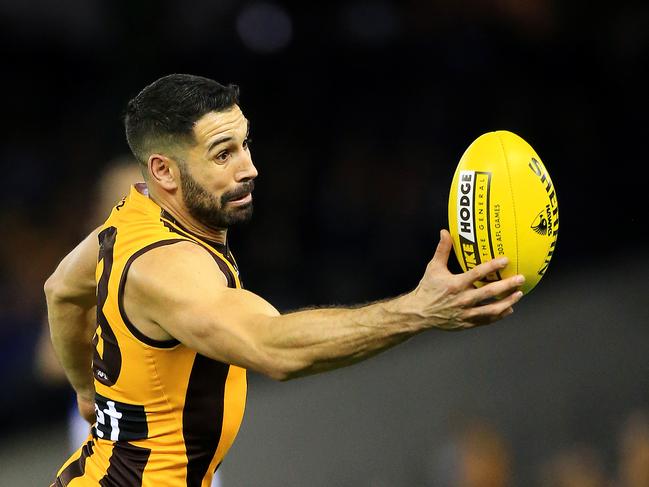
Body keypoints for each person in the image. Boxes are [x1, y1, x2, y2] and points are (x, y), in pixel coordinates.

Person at [45, 73, 525, 486]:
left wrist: (87, 391)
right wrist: (418, 310)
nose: (249, 168)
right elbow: (273, 348)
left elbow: (62, 291)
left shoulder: (130, 218)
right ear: (164, 171)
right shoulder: (167, 268)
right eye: (222, 154)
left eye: (244, 144)